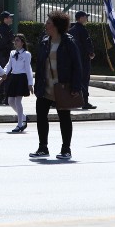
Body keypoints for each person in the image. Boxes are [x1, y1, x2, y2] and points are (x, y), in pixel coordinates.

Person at [30, 11, 84, 160]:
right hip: (45, 86)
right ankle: (43, 148)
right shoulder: (44, 41)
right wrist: (36, 83)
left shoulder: (68, 42)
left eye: (48, 23)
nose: (45, 25)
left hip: (62, 87)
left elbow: (77, 66)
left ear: (56, 26)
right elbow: (40, 65)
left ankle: (66, 149)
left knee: (64, 117)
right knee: (41, 116)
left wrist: (76, 87)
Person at [0, 34, 34, 133]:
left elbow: (28, 69)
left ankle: (19, 124)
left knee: (18, 101)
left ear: (22, 42)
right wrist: (3, 75)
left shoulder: (26, 54)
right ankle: (23, 117)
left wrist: (30, 83)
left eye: (18, 40)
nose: (15, 42)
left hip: (22, 78)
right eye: (15, 40)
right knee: (10, 101)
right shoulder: (12, 53)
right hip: (14, 77)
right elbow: (8, 65)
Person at [69, 11, 97, 110]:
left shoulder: (71, 30)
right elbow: (87, 43)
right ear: (80, 18)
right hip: (83, 59)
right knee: (84, 80)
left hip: (73, 59)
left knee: (75, 80)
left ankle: (73, 100)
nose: (86, 18)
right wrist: (91, 53)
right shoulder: (82, 30)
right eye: (85, 17)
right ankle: (84, 101)